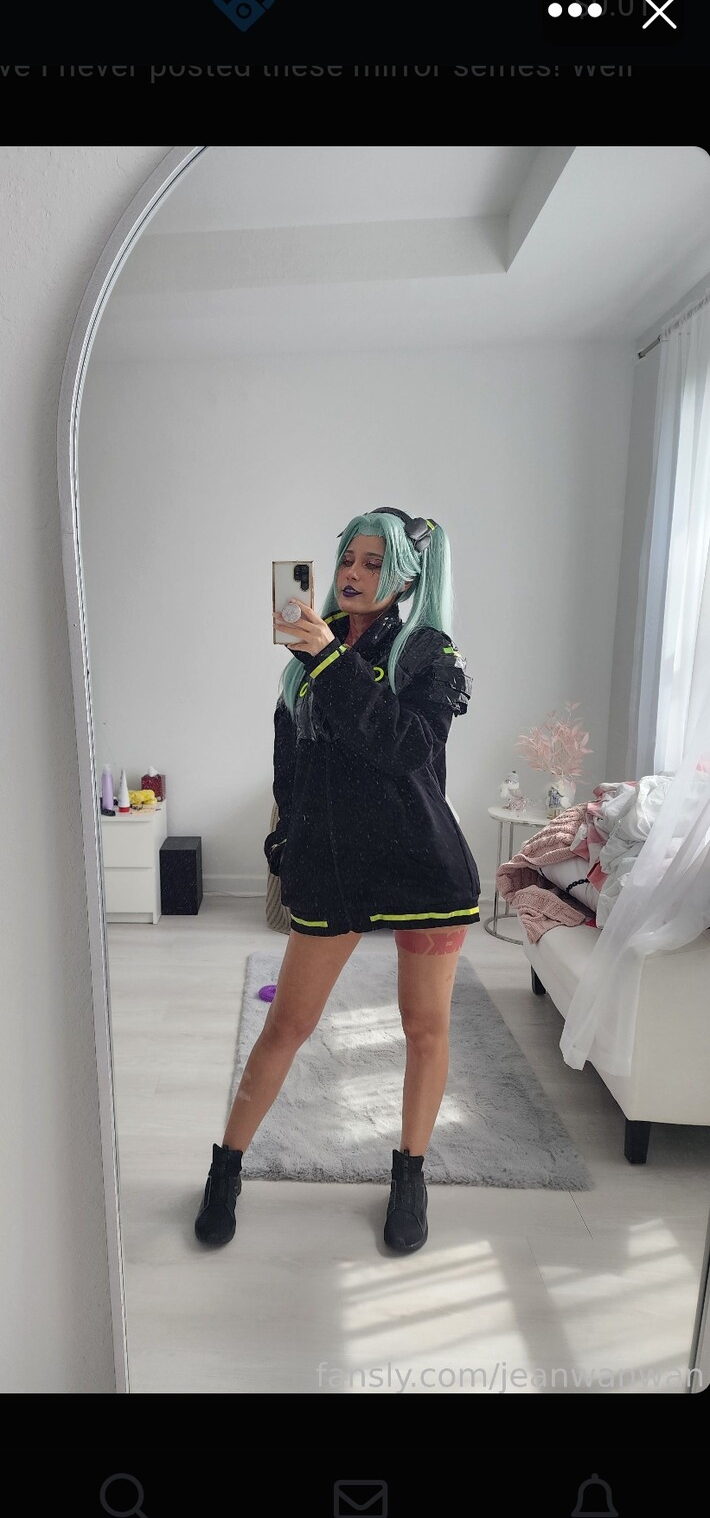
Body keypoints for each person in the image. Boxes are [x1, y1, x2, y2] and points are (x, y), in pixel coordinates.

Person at [194, 508, 480, 1255]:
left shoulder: (428, 653)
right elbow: (290, 770)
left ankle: (410, 1176)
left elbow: (407, 748)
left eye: (372, 563)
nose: (352, 573)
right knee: (287, 1025)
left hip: (422, 867)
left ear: (406, 578)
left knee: (425, 1029)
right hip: (335, 871)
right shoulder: (305, 659)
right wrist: (286, 845)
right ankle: (226, 1169)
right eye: (347, 558)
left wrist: (328, 659)